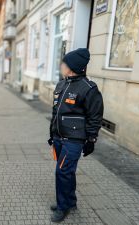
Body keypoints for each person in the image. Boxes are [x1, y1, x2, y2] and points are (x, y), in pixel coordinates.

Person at [48, 48, 104, 222]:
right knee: (67, 172)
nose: (61, 65)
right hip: (58, 137)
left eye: (64, 63)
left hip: (73, 141)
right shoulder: (61, 84)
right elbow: (56, 112)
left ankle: (63, 207)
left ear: (71, 66)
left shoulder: (88, 88)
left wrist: (91, 139)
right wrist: (52, 134)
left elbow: (95, 116)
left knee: (62, 172)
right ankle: (70, 201)